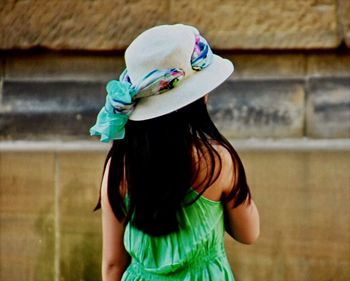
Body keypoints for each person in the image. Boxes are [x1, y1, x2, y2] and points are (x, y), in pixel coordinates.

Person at [90, 24, 260, 281]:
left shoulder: (120, 166)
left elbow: (113, 265)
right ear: (197, 98)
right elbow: (249, 233)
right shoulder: (218, 162)